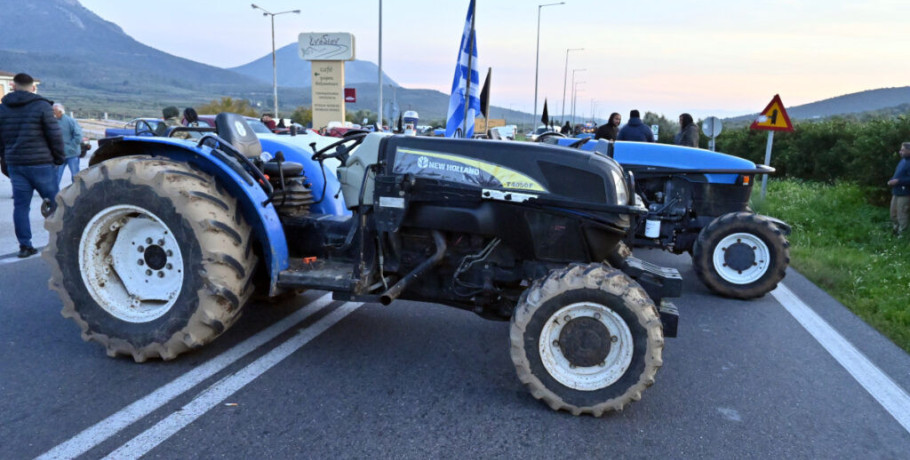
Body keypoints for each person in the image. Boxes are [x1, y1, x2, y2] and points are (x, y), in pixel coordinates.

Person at [0, 73, 65, 258]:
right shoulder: (42, 106)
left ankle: (25, 246)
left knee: (21, 207)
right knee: (56, 205)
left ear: (13, 86)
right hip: (41, 164)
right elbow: (55, 135)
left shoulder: (2, 108)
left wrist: (5, 162)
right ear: (33, 87)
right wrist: (59, 158)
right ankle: (61, 242)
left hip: (16, 165)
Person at [53, 103, 83, 184]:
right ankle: (54, 195)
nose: (52, 113)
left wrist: (71, 147)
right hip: (59, 155)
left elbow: (78, 136)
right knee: (56, 176)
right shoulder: (52, 122)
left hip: (72, 154)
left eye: (54, 111)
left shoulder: (71, 121)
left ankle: (76, 194)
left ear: (60, 112)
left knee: (75, 176)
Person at [888, 142, 910, 237]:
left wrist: (898, 181)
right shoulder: (902, 161)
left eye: (903, 150)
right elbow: (897, 175)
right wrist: (892, 180)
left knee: (902, 215)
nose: (900, 151)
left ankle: (902, 236)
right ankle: (895, 232)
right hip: (897, 192)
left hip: (905, 193)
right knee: (893, 214)